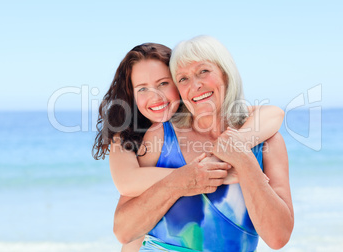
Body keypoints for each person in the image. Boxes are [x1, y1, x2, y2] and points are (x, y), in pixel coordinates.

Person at [92, 42, 285, 251]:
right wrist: (202, 174)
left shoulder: (244, 128)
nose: (155, 96)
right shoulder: (130, 135)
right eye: (142, 88)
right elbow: (127, 184)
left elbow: (273, 113)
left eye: (163, 83)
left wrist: (232, 152)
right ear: (131, 94)